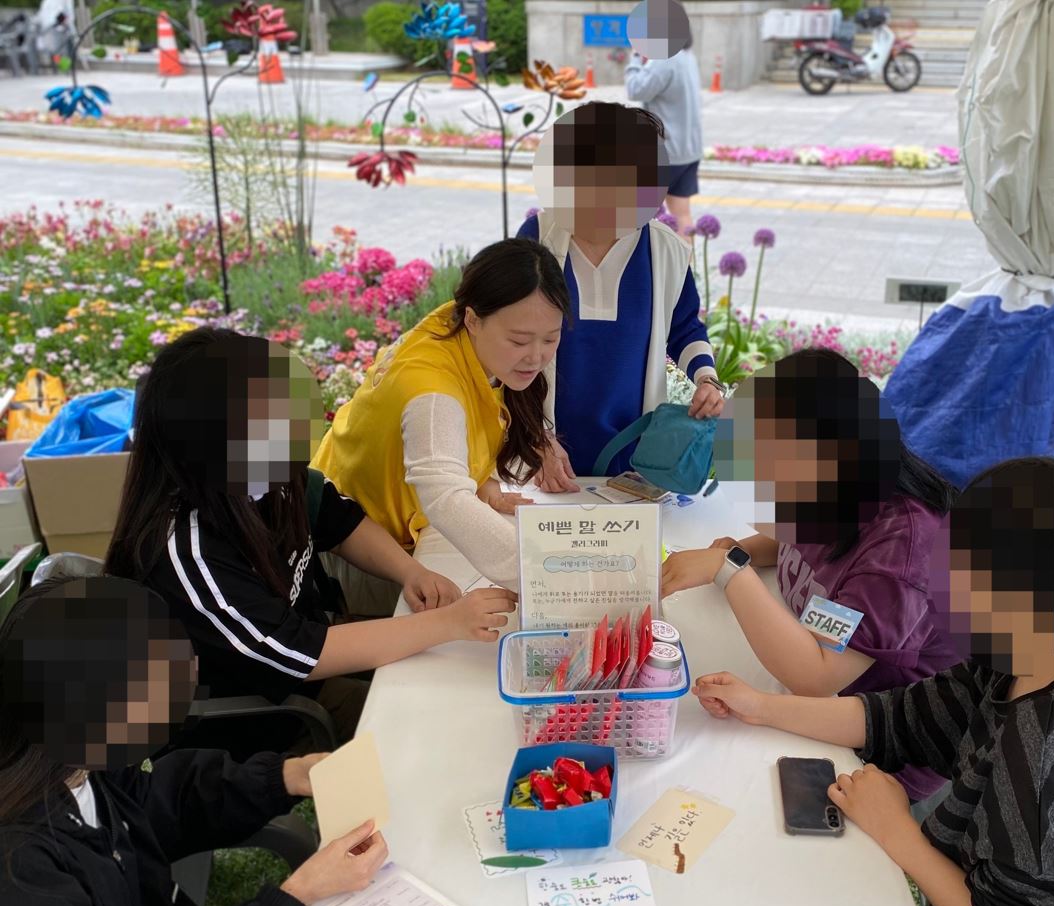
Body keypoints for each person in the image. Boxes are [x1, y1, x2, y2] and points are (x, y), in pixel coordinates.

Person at [692, 458, 1054, 906]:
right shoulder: (1049, 656)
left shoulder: (1040, 765)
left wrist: (898, 832)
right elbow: (901, 718)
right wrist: (761, 707)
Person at [105, 328, 515, 753]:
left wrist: (411, 572)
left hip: (307, 674)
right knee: (440, 729)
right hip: (258, 727)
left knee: (456, 693)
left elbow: (338, 519)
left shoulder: (267, 476)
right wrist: (446, 623)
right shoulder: (188, 552)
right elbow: (298, 652)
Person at [660, 349, 961, 802]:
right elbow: (790, 542)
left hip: (874, 758)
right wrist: (743, 551)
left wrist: (729, 571)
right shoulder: (829, 500)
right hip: (805, 696)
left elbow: (817, 674)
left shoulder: (899, 557)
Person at [0, 576, 390, 906]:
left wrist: (283, 777)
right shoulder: (23, 878)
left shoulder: (80, 767)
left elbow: (156, 802)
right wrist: (296, 895)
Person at [312, 237, 571, 602]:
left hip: (398, 535)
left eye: (551, 339)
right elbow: (446, 497)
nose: (536, 357)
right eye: (518, 341)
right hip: (358, 546)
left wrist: (481, 483)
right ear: (473, 319)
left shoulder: (461, 325)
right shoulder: (431, 389)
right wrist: (551, 579)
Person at [518, 101, 724, 491]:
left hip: (633, 449)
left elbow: (685, 328)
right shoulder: (538, 236)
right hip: (548, 450)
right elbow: (509, 340)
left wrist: (707, 380)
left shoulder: (665, 250)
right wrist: (533, 436)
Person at [625, 26, 703, 241]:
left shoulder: (664, 59)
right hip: (688, 151)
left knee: (636, 216)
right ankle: (687, 262)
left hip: (665, 152)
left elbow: (635, 89)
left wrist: (635, 58)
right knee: (682, 215)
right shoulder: (687, 56)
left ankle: (645, 262)